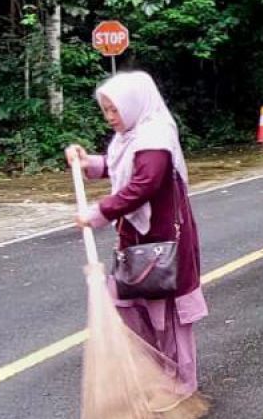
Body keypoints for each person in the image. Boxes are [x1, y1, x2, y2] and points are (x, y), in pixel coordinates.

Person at [68, 71, 206, 398]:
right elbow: (120, 168)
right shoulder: (131, 136)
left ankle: (181, 385)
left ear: (133, 105)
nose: (111, 117)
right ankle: (157, 373)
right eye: (106, 110)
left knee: (169, 315)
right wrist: (87, 162)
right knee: (130, 304)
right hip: (137, 241)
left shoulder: (155, 136)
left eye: (115, 109)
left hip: (163, 244)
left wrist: (100, 212)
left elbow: (144, 183)